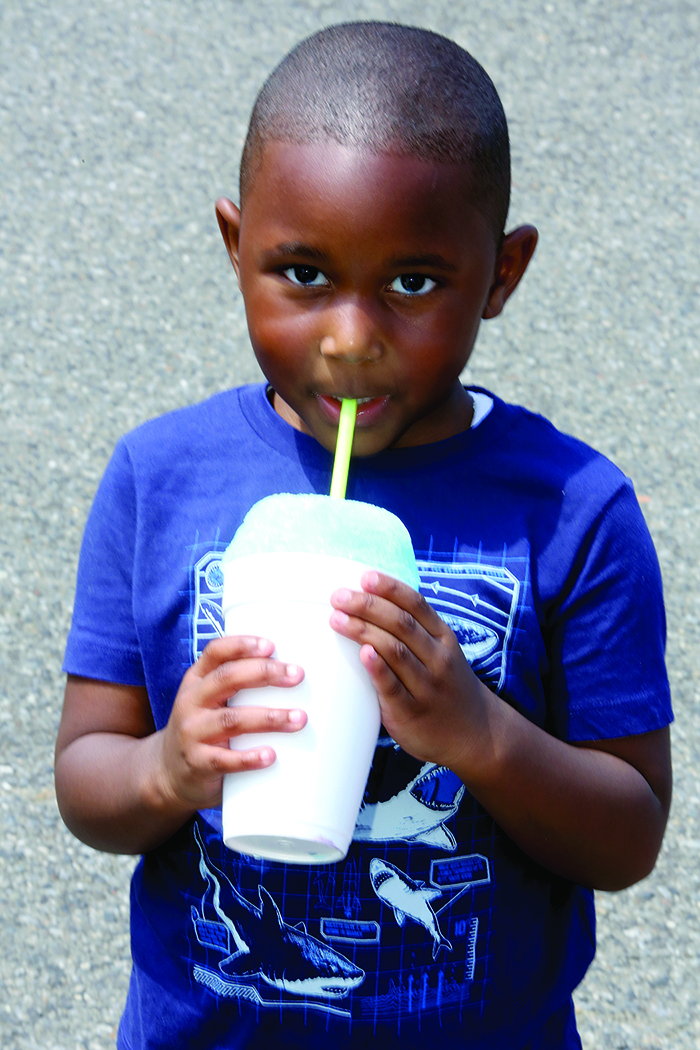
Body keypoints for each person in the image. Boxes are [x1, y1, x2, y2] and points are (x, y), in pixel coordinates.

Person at [55, 21, 673, 1050]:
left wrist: (481, 734)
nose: (351, 334)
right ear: (234, 245)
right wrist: (169, 767)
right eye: (302, 274)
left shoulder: (572, 509)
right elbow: (87, 774)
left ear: (502, 274)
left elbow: (627, 833)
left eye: (414, 284)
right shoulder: (159, 478)